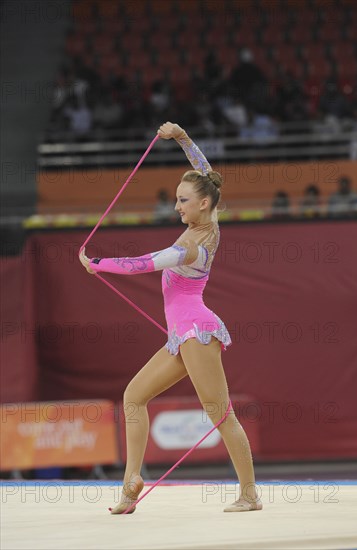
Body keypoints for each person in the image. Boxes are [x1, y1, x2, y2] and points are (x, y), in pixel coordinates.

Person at [79, 122, 262, 514]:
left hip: (197, 330)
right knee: (134, 396)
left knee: (219, 413)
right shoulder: (206, 219)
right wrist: (181, 138)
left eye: (182, 200)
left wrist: (99, 263)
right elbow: (207, 174)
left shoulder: (194, 246)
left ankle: (249, 493)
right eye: (177, 199)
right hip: (181, 336)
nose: (176, 205)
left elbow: (145, 263)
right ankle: (131, 485)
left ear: (201, 205)